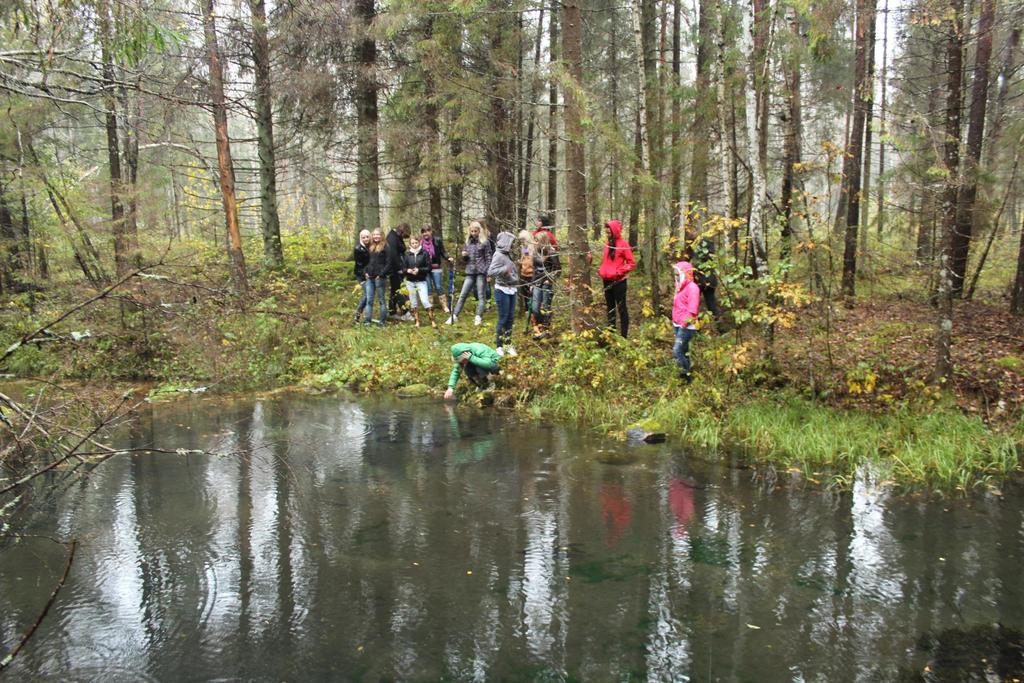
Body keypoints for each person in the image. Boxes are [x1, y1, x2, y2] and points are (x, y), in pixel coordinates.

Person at [447, 221, 492, 326]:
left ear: (479, 231)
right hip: (470, 271)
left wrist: (488, 272)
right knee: (463, 294)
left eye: (475, 231)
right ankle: (454, 316)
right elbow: (465, 260)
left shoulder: (485, 242)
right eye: (471, 231)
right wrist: (464, 255)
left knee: (481, 295)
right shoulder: (467, 242)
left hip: (481, 271)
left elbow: (489, 258)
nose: (473, 233)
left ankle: (478, 316)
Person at [597, 219, 636, 338]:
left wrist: (620, 271)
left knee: (621, 308)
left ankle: (624, 336)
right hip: (607, 280)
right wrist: (601, 270)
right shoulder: (607, 244)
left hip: (619, 282)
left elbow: (631, 263)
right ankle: (611, 334)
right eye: (606, 233)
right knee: (610, 307)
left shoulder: (623, 244)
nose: (607, 235)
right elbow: (606, 261)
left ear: (614, 232)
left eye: (609, 233)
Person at [487, 231, 520, 357]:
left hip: (512, 288)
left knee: (511, 318)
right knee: (503, 318)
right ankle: (499, 346)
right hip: (502, 290)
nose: (512, 245)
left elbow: (512, 269)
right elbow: (491, 271)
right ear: (505, 242)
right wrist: (505, 270)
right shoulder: (498, 255)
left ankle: (508, 344)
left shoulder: (508, 254)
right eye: (510, 242)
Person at [671, 261, 701, 383]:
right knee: (684, 351)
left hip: (687, 326)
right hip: (677, 324)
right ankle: (688, 373)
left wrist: (684, 324)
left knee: (677, 351)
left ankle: (685, 377)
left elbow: (692, 310)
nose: (676, 276)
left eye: (678, 273)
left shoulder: (693, 288)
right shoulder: (679, 286)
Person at [686, 229, 721, 321]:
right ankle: (719, 325)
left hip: (699, 280)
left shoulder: (694, 248)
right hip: (710, 280)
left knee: (694, 303)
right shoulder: (709, 245)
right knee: (711, 302)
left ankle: (694, 325)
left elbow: (689, 261)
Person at [402, 233, 436, 328]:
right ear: (410, 244)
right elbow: (403, 268)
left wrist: (419, 270)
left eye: (416, 242)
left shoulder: (424, 253)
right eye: (412, 243)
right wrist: (408, 270)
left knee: (425, 300)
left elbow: (429, 268)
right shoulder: (407, 254)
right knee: (413, 302)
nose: (414, 244)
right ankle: (417, 321)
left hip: (421, 280)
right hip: (410, 281)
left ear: (419, 242)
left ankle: (432, 320)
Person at [531, 230, 560, 338]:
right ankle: (540, 326)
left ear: (542, 241)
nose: (534, 242)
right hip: (537, 282)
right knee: (535, 307)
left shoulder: (552, 252)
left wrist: (550, 279)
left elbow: (558, 269)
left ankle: (545, 330)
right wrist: (531, 284)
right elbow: (534, 269)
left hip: (547, 282)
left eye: (536, 240)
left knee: (546, 306)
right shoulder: (535, 252)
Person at [420, 225, 453, 314]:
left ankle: (444, 305)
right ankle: (430, 306)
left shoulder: (437, 240)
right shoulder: (420, 243)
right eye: (423, 232)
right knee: (428, 287)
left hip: (436, 267)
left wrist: (448, 257)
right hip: (425, 268)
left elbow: (443, 251)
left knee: (438, 286)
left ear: (431, 232)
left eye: (427, 231)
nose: (425, 233)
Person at [385, 223, 412, 320]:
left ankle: (392, 312)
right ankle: (405, 312)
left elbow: (401, 248)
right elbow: (393, 256)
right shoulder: (392, 238)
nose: (404, 238)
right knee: (399, 291)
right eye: (404, 236)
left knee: (394, 291)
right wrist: (399, 269)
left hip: (396, 268)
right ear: (401, 231)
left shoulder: (396, 236)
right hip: (395, 270)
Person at [363, 228, 389, 325]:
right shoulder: (371, 246)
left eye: (377, 234)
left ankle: (382, 321)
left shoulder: (386, 247)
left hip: (379, 278)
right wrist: (365, 272)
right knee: (369, 300)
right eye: (374, 235)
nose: (375, 236)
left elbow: (389, 263)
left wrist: (381, 274)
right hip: (370, 277)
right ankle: (367, 321)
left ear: (381, 235)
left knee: (381, 300)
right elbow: (367, 261)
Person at [517, 229, 537, 318]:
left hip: (532, 274)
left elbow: (534, 261)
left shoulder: (534, 247)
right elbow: (524, 258)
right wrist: (520, 263)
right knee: (525, 293)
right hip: (523, 274)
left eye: (523, 240)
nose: (522, 242)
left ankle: (533, 311)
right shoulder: (524, 247)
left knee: (531, 293)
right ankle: (527, 310)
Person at [352, 229, 371, 323]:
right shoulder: (358, 249)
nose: (366, 239)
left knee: (369, 295)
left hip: (370, 274)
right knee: (367, 295)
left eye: (367, 237)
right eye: (363, 237)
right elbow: (359, 264)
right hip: (361, 275)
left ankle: (367, 317)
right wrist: (364, 274)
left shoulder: (371, 247)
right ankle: (357, 316)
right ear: (360, 238)